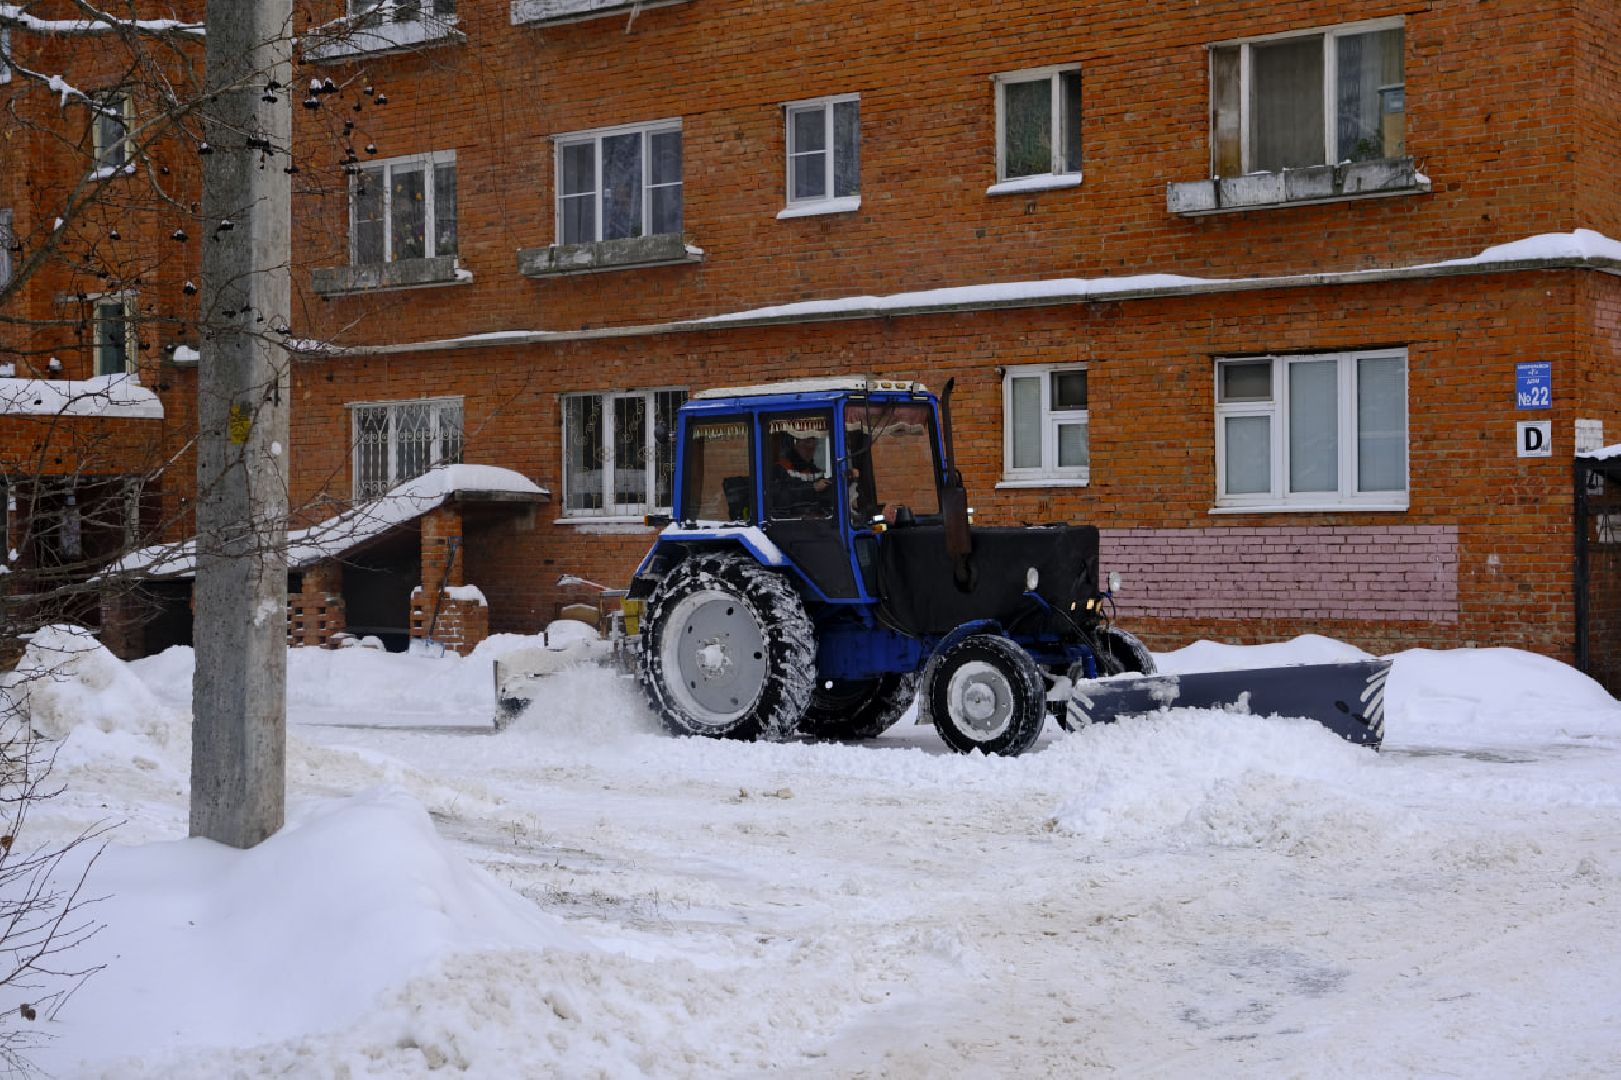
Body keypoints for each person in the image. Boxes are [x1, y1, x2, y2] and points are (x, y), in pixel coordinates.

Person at [770, 432, 833, 516]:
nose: (811, 449)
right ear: (795, 444)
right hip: (790, 521)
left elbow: (824, 499)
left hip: (817, 521)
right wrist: (812, 487)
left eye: (814, 444)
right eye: (806, 443)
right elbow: (782, 496)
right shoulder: (780, 468)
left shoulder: (816, 471)